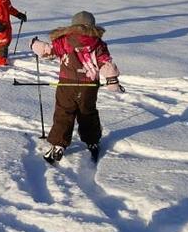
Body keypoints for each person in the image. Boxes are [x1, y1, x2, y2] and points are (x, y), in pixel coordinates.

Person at [30, 10, 123, 164]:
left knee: (64, 112)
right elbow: (105, 63)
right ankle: (92, 140)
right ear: (92, 26)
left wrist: (34, 44)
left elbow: (47, 51)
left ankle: (59, 144)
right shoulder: (98, 44)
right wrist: (112, 80)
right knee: (88, 112)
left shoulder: (64, 41)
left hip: (67, 84)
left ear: (73, 25)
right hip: (89, 86)